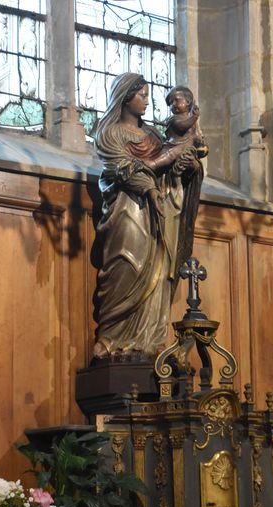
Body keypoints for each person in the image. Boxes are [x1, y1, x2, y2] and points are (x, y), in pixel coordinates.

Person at [92, 73, 204, 359]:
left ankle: (151, 341)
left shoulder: (155, 135)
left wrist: (188, 168)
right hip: (128, 209)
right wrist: (148, 185)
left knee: (157, 275)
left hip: (159, 215)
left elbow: (173, 168)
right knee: (125, 266)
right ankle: (111, 338)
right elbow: (118, 171)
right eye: (142, 94)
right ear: (126, 97)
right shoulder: (109, 133)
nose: (147, 100)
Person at [164, 85, 209, 159]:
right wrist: (194, 117)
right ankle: (154, 164)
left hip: (188, 149)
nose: (173, 104)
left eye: (176, 100)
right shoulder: (174, 119)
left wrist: (200, 140)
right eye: (171, 103)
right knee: (170, 156)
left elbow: (193, 135)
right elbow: (181, 126)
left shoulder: (192, 120)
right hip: (175, 146)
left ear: (188, 102)